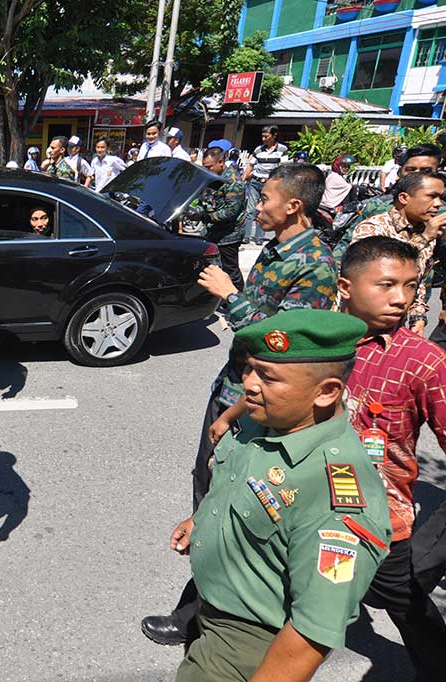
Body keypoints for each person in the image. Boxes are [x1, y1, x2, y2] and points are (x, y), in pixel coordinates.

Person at [141, 164, 338, 646]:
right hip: (235, 395)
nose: (258, 204)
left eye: (266, 197)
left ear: (294, 206)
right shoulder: (276, 248)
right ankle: (207, 613)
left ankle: (204, 619)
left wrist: (230, 296)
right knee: (208, 497)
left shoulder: (314, 264)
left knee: (228, 510)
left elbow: (281, 344)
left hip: (262, 408)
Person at [172, 308, 391, 682]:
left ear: (326, 392)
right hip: (212, 612)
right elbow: (237, 483)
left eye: (268, 377)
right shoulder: (268, 421)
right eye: (250, 369)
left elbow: (313, 631)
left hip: (249, 645)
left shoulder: (336, 495)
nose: (249, 385)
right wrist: (201, 521)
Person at [335, 236, 446, 681]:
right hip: (302, 502)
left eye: (412, 285)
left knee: (404, 602)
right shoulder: (315, 339)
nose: (402, 298)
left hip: (378, 516)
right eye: (386, 285)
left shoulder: (424, 362)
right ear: (346, 286)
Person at [337, 171, 446, 334]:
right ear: (404, 198)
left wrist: (418, 318)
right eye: (432, 196)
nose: (438, 204)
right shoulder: (374, 227)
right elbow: (373, 272)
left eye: (440, 197)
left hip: (393, 328)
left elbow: (417, 281)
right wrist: (424, 238)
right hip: (358, 327)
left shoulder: (426, 232)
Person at [334, 144, 443, 260]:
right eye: (411, 170)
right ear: (400, 172)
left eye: (426, 171)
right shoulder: (377, 208)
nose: (417, 175)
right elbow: (344, 253)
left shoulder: (441, 212)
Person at [183, 145, 245, 291]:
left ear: (221, 162)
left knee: (230, 269)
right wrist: (194, 211)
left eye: (210, 166)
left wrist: (204, 216)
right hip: (211, 231)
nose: (207, 169)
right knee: (211, 267)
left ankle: (239, 299)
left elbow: (230, 212)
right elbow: (203, 201)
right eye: (205, 166)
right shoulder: (210, 177)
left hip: (229, 234)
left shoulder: (233, 182)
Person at [242, 125, 289, 245]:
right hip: (255, 182)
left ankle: (259, 237)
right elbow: (250, 166)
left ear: (274, 136)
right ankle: (246, 236)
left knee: (264, 209)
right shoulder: (258, 150)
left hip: (270, 184)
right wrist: (243, 179)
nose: (263, 138)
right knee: (250, 210)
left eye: (266, 136)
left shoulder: (282, 150)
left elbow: (283, 168)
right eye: (262, 136)